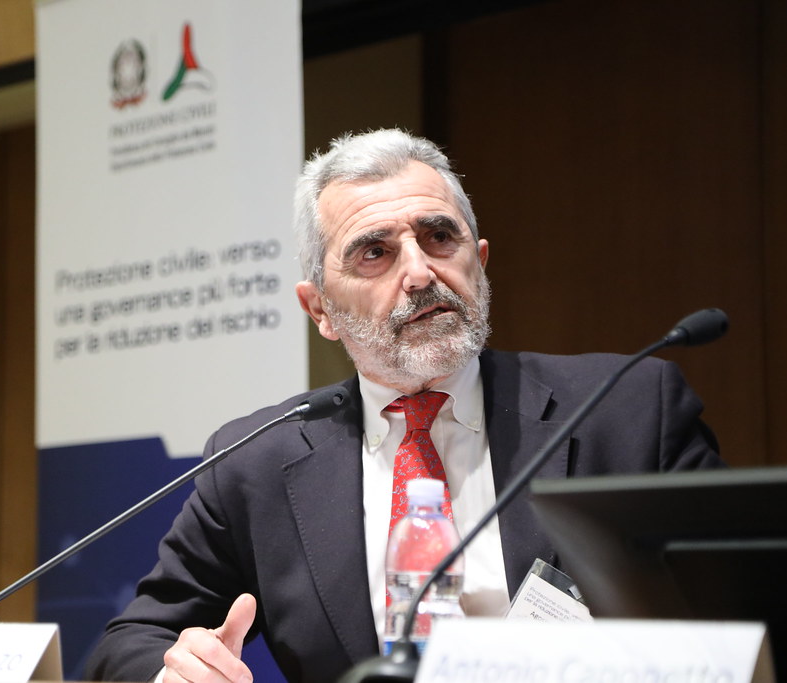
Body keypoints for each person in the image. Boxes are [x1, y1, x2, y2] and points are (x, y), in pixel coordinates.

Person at [85, 129, 723, 683]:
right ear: (319, 309)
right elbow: (132, 641)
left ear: (479, 262)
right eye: (375, 252)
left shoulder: (628, 410)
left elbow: (740, 608)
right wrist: (180, 669)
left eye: (440, 237)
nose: (419, 272)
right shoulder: (256, 462)